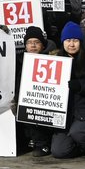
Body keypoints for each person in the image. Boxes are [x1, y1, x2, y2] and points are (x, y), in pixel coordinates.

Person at [50, 27, 85, 159]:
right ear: (63, 42)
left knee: (79, 132)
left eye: (75, 40)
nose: (71, 44)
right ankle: (81, 146)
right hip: (65, 115)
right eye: (68, 40)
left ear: (81, 42)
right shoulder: (55, 62)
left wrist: (81, 86)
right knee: (59, 151)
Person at [14, 27, 57, 155]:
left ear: (43, 45)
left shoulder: (53, 60)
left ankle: (43, 144)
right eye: (29, 42)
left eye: (37, 42)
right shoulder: (18, 60)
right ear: (25, 45)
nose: (33, 45)